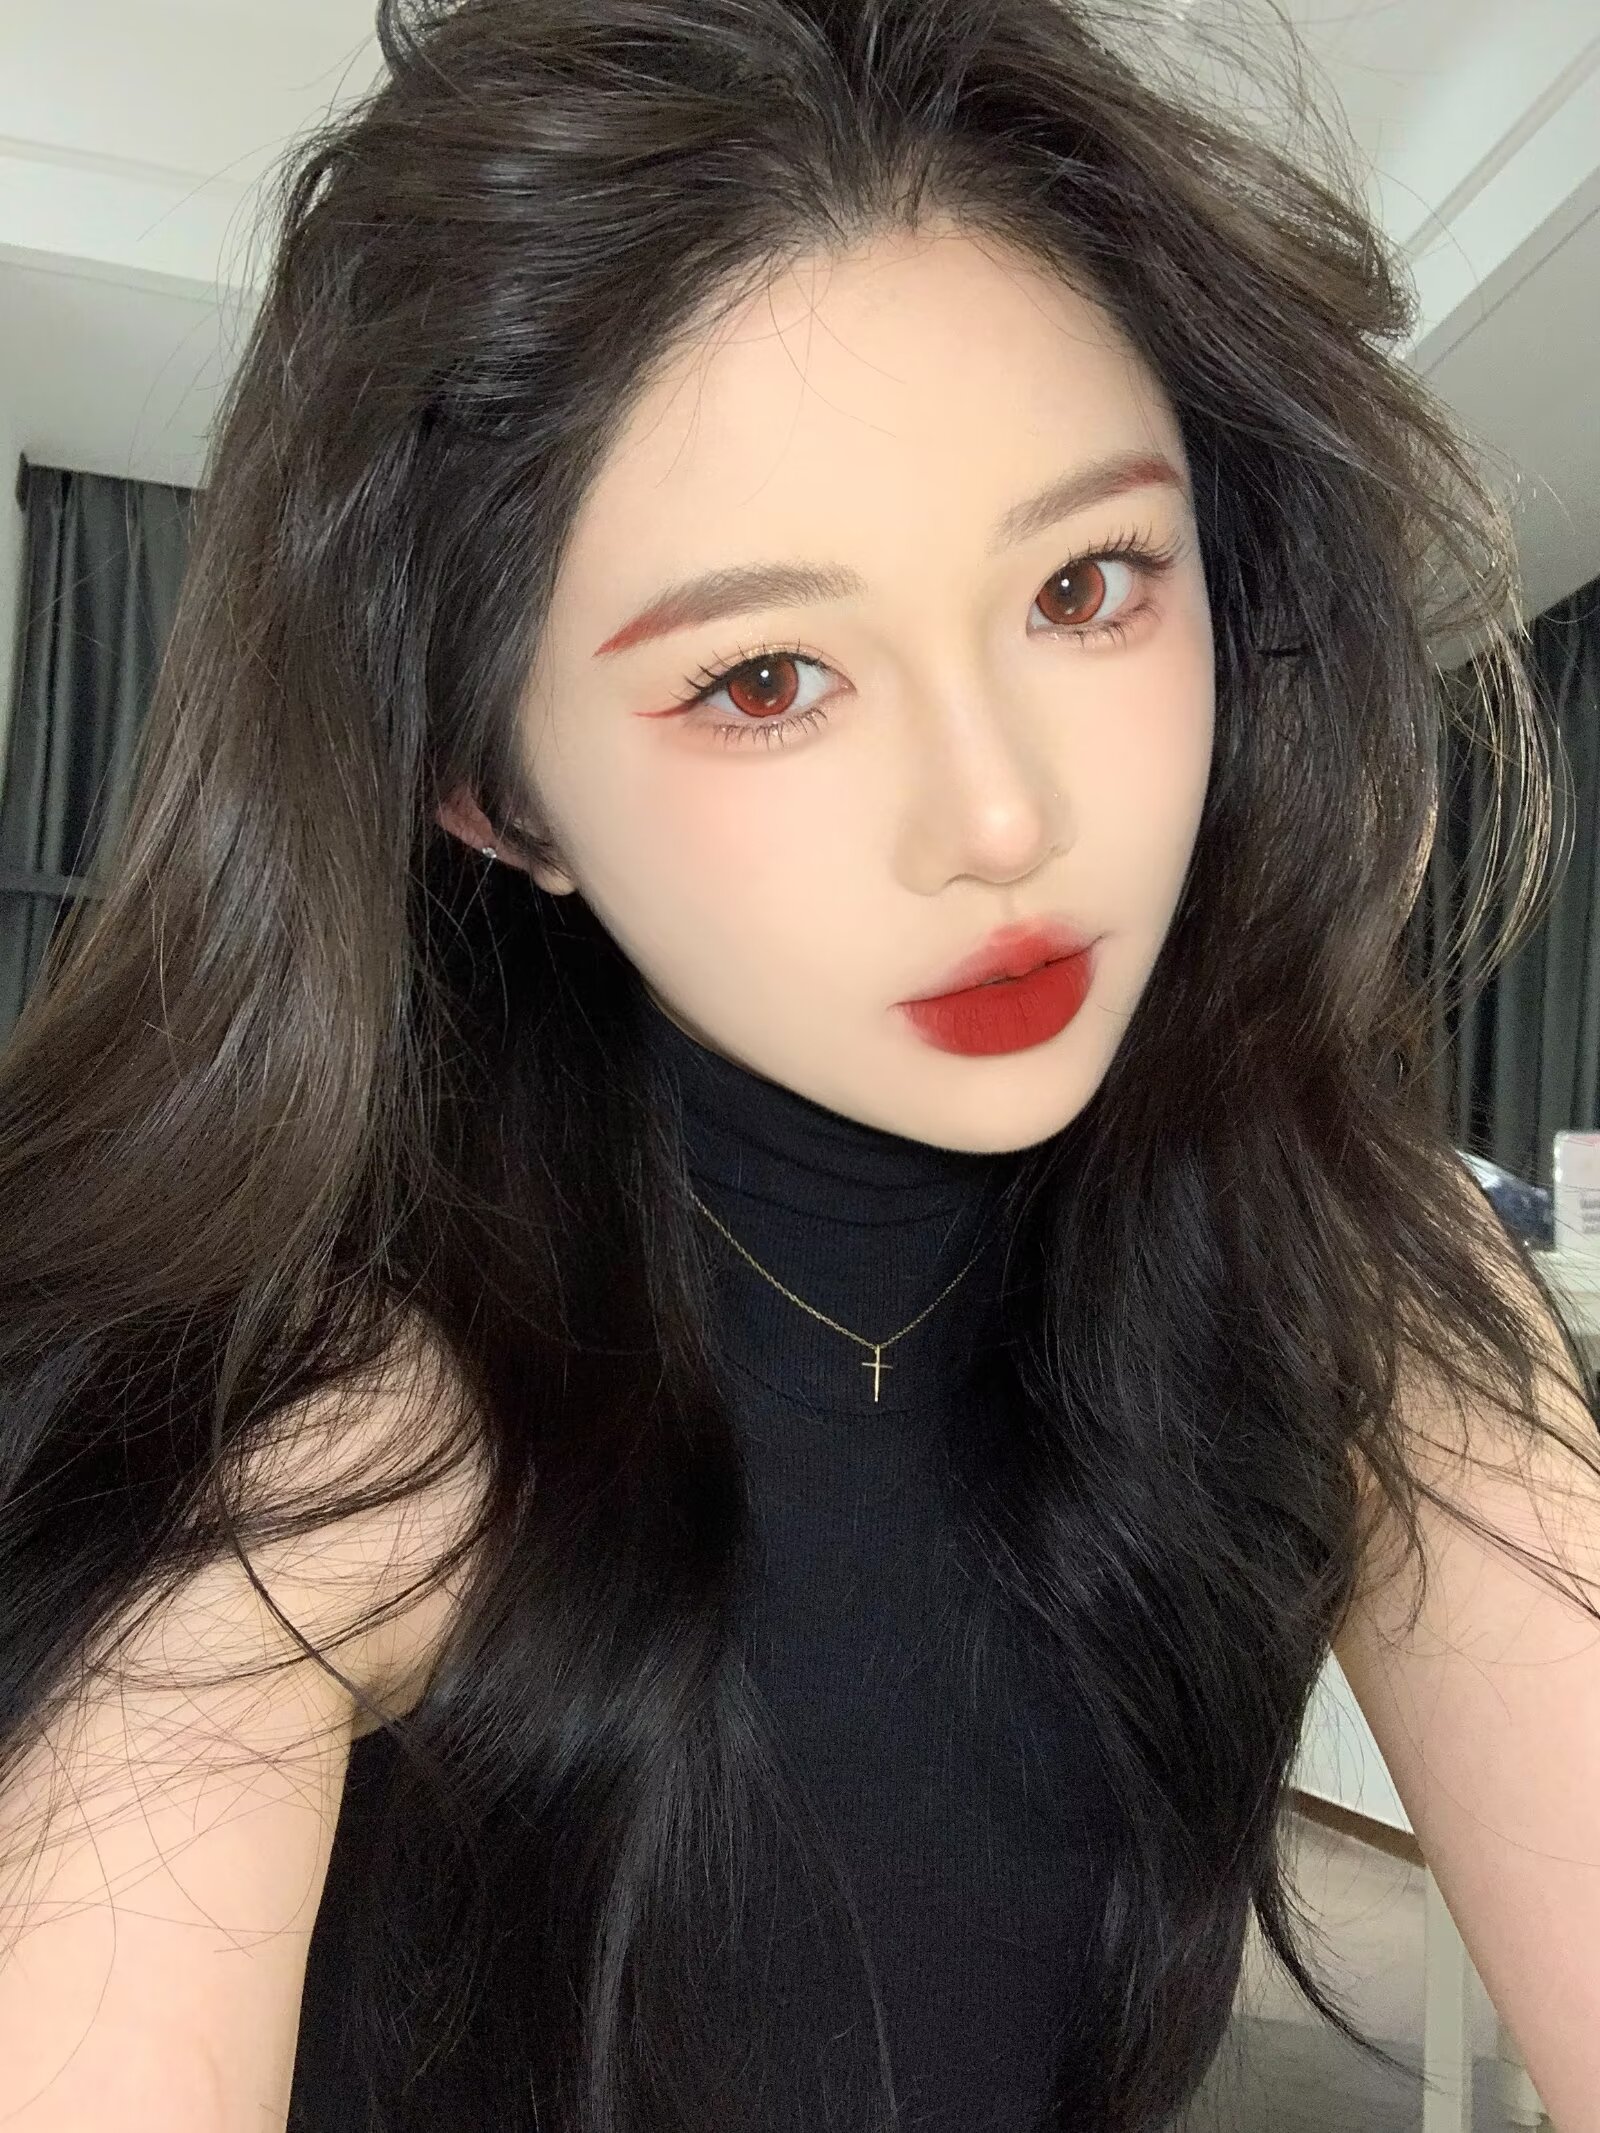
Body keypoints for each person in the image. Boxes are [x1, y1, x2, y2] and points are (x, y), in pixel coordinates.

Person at [0, 0, 1596, 2128]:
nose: (1001, 819)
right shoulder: (310, 1428)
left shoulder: (1341, 1264)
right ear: (495, 790)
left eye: (1086, 583)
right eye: (763, 679)